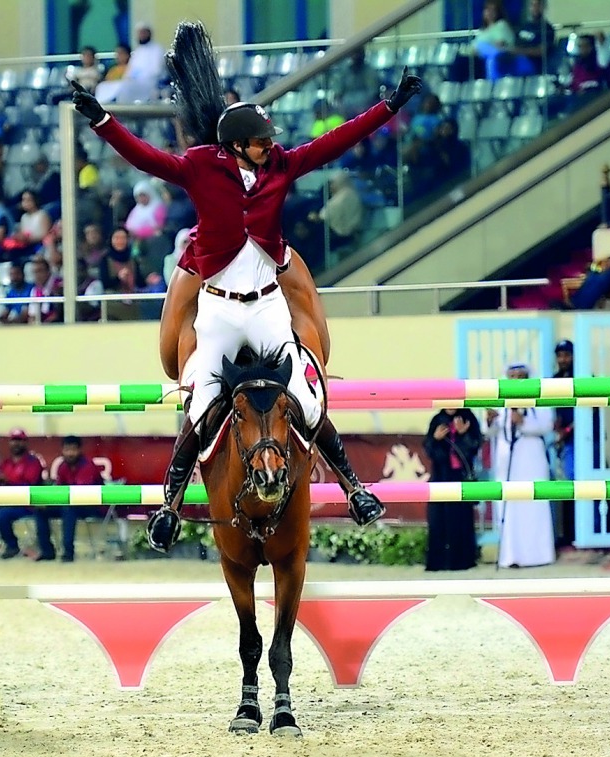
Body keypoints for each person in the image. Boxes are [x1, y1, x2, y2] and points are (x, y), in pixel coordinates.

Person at [73, 21, 423, 552]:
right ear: (237, 145)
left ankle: (354, 488)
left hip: (266, 310)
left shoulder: (281, 164)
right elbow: (145, 157)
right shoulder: (199, 166)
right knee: (200, 405)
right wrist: (101, 119)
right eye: (261, 141)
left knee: (306, 397)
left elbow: (332, 143)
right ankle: (168, 507)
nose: (270, 146)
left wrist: (389, 107)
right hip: (217, 313)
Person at [484, 364, 555, 568]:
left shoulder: (539, 398)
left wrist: (523, 421)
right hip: (507, 462)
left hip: (531, 459)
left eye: (520, 376)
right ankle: (511, 556)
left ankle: (538, 556)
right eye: (512, 376)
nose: (516, 380)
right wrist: (490, 421)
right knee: (509, 504)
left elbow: (547, 425)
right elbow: (489, 433)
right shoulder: (500, 401)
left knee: (534, 503)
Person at [423, 407, 483, 571]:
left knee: (461, 518)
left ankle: (462, 561)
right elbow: (428, 449)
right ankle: (438, 561)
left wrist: (463, 434)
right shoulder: (437, 420)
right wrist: (436, 438)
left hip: (461, 477)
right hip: (441, 476)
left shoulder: (468, 417)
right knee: (437, 518)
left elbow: (474, 446)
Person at [36, 435, 105, 562]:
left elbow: (81, 494)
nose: (70, 453)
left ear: (79, 450)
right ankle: (47, 551)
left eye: (73, 450)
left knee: (69, 509)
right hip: (70, 504)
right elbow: (59, 490)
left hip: (92, 506)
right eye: (67, 450)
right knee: (41, 509)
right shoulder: (62, 467)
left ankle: (68, 553)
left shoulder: (87, 465)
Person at [0, 429, 48, 559]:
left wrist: (7, 480)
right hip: (7, 502)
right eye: (14, 440)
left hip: (27, 505)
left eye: (19, 440)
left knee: (2, 515)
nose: (16, 443)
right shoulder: (6, 463)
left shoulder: (33, 462)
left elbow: (30, 483)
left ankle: (12, 545)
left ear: (25, 442)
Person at [551, 340, 575, 549]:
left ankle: (581, 535)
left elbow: (589, 411)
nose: (563, 359)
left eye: (567, 355)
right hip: (563, 444)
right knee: (568, 488)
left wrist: (567, 431)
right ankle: (568, 535)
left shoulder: (584, 377)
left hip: (584, 441)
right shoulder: (555, 381)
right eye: (560, 355)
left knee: (587, 487)